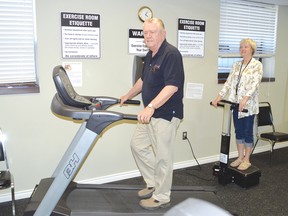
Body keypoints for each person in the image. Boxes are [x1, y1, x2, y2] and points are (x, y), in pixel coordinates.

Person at [120, 18, 184, 210]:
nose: (147, 36)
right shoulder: (151, 54)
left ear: (162, 34)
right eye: (145, 32)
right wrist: (127, 95)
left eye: (152, 32)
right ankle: (153, 182)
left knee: (163, 157)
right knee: (137, 146)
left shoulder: (171, 54)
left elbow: (172, 87)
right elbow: (143, 79)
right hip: (150, 115)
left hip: (165, 114)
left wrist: (151, 107)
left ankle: (162, 196)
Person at [212, 38, 263, 171]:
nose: (242, 49)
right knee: (238, 131)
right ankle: (240, 157)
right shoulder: (236, 65)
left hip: (248, 106)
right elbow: (229, 83)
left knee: (247, 131)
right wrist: (218, 97)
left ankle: (247, 159)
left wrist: (245, 99)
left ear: (252, 49)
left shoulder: (257, 65)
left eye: (246, 47)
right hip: (235, 104)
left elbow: (254, 84)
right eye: (241, 47)